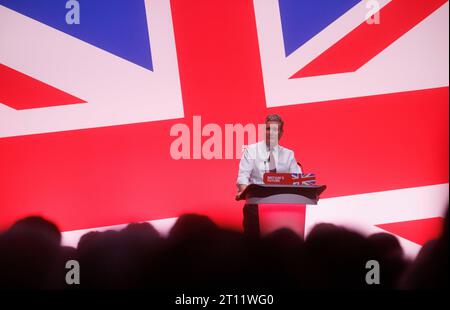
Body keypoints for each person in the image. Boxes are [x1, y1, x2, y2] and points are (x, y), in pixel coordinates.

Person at [236, 114, 302, 238]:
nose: (270, 133)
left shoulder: (288, 154)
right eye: (268, 129)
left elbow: (298, 179)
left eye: (275, 130)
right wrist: (243, 191)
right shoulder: (251, 150)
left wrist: (307, 193)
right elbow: (243, 176)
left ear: (281, 133)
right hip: (255, 207)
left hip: (282, 208)